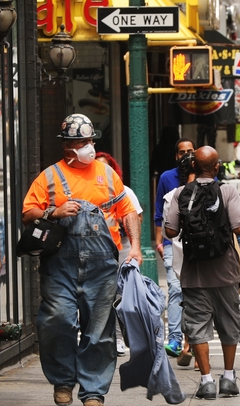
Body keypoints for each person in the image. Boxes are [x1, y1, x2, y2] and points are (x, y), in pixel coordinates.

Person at [22, 113, 141, 406]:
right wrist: (54, 212)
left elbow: (127, 211)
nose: (88, 146)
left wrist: (135, 246)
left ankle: (93, 392)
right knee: (56, 320)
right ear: (68, 147)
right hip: (60, 265)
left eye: (90, 140)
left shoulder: (107, 174)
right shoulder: (48, 177)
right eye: (82, 141)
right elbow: (28, 213)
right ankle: (63, 381)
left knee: (99, 330)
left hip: (102, 267)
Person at [164, 147, 240, 400]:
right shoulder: (227, 191)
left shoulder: (180, 193)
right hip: (225, 272)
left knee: (198, 325)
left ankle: (207, 381)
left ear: (193, 167)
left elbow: (169, 231)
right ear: (216, 167)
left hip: (194, 271)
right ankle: (229, 378)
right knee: (229, 322)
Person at [95, 152, 143, 357]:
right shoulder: (89, 191)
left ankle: (121, 338)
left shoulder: (124, 191)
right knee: (101, 295)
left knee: (119, 295)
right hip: (95, 248)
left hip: (120, 247)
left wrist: (134, 246)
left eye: (107, 167)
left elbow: (136, 217)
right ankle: (107, 337)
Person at [154, 138, 194, 358]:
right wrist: (159, 242)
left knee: (196, 292)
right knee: (176, 289)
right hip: (172, 242)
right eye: (182, 152)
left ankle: (195, 339)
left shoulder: (207, 176)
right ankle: (176, 340)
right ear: (176, 156)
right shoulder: (166, 178)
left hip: (199, 244)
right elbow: (159, 212)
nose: (186, 155)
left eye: (190, 151)